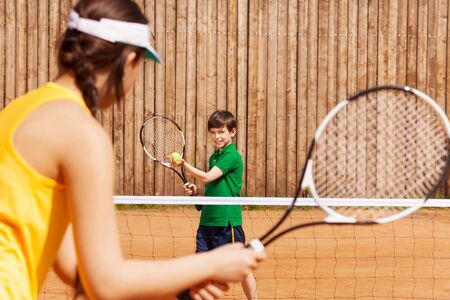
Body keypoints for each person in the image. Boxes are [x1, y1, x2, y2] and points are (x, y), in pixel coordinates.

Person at [0, 1, 265, 299]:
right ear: (128, 61)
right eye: (141, 64)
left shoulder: (20, 110)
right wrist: (210, 264)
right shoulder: (83, 135)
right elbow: (106, 283)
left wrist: (178, 283)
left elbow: (71, 263)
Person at [170, 110, 259, 300]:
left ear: (232, 132)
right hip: (207, 223)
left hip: (227, 223)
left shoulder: (232, 156)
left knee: (242, 269)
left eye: (221, 132)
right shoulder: (214, 158)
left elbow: (208, 176)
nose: (217, 136)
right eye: (213, 132)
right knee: (201, 269)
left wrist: (184, 164)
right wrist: (196, 192)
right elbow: (208, 186)